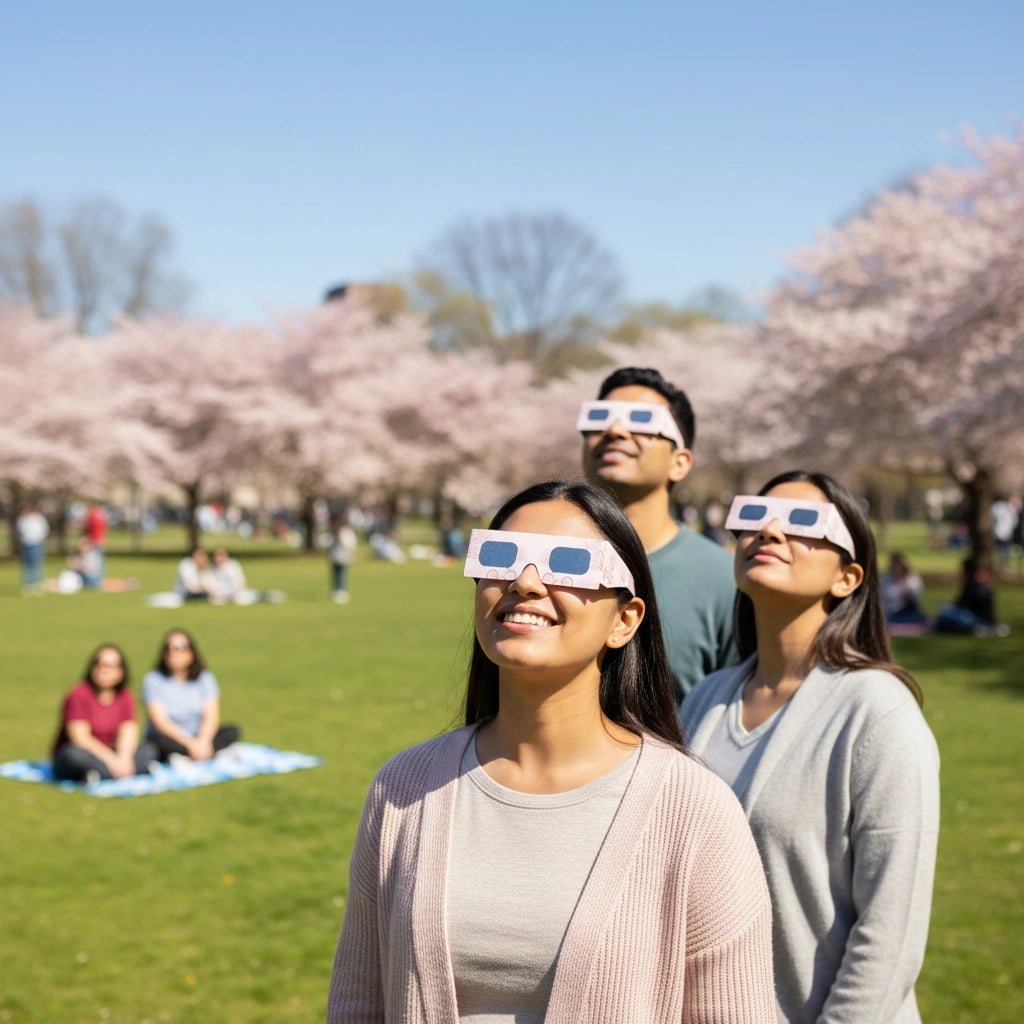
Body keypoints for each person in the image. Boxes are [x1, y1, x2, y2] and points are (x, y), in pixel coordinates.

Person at [327, 480, 775, 1023]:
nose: (526, 582)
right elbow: (358, 1000)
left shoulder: (695, 810)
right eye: (501, 555)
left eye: (568, 563)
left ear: (624, 620)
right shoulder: (403, 789)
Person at [680, 471, 940, 1023]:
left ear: (847, 577)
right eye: (753, 516)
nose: (769, 530)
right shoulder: (703, 702)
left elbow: (890, 932)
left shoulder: (877, 711)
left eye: (803, 522)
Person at [580, 366, 739, 701]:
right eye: (600, 417)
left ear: (679, 462)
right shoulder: (538, 567)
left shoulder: (725, 580)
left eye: (642, 420)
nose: (616, 430)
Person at [52, 644, 155, 782]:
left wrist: (124, 758)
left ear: (120, 672)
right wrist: (111, 760)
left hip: (114, 752)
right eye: (99, 664)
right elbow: (80, 738)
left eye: (110, 665)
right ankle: (120, 772)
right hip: (88, 753)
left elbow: (128, 730)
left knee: (148, 750)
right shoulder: (78, 694)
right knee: (73, 756)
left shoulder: (125, 696)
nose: (104, 670)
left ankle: (99, 775)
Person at [142, 629, 241, 762]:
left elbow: (211, 717)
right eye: (169, 648)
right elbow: (161, 723)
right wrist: (190, 743)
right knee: (156, 742)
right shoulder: (153, 680)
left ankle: (195, 754)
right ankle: (202, 753)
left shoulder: (204, 678)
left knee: (232, 731)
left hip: (198, 734)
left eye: (180, 648)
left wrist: (203, 741)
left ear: (191, 652)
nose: (173, 653)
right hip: (173, 737)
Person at [934, 555, 1010, 636]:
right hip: (987, 620)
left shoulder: (971, 585)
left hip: (975, 620)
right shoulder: (984, 584)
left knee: (945, 612)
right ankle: (986, 628)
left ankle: (980, 628)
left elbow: (961, 606)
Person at [881, 551, 929, 633]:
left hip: (907, 611)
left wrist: (904, 585)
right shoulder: (885, 579)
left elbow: (915, 600)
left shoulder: (912, 579)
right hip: (890, 613)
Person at [16, 503, 49, 595]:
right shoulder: (22, 519)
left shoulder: (38, 518)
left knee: (37, 564)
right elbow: (20, 529)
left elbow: (43, 530)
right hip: (26, 543)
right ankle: (27, 584)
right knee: (27, 565)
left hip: (36, 543)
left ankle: (37, 584)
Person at [327, 515, 358, 603]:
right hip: (335, 556)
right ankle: (336, 590)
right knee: (336, 574)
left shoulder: (345, 532)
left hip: (343, 556)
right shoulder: (334, 531)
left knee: (341, 574)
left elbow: (349, 543)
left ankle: (341, 590)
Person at [83, 503, 109, 586]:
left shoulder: (92, 516)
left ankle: (96, 581)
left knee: (94, 563)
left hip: (94, 542)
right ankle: (100, 580)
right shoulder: (101, 515)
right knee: (99, 562)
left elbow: (87, 529)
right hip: (99, 541)